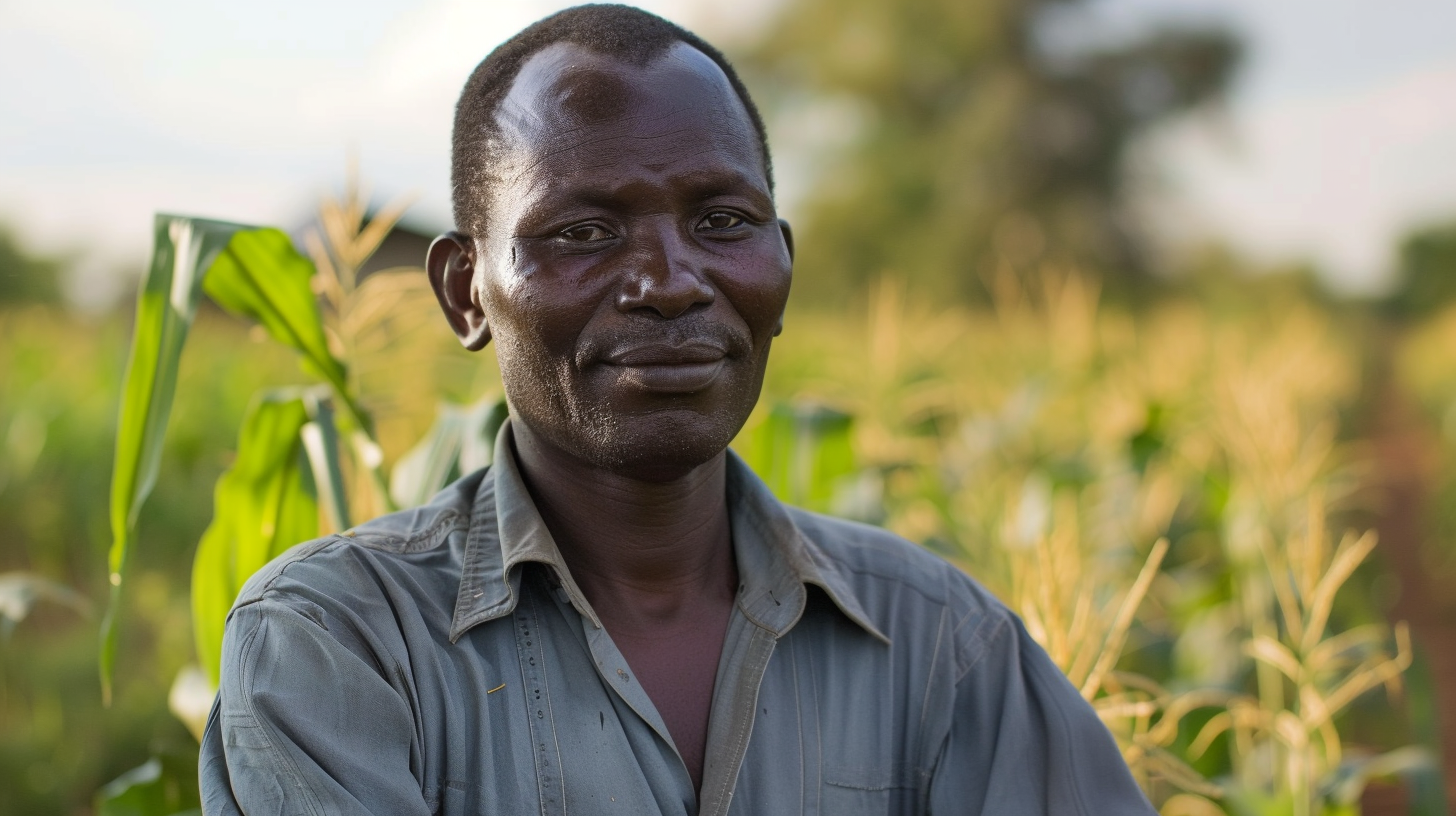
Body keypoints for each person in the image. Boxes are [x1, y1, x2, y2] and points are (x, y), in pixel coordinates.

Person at [199, 5, 1156, 815]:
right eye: (582, 232)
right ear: (466, 293)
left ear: (782, 263)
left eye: (723, 223)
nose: (668, 282)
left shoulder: (945, 646)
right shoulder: (338, 645)